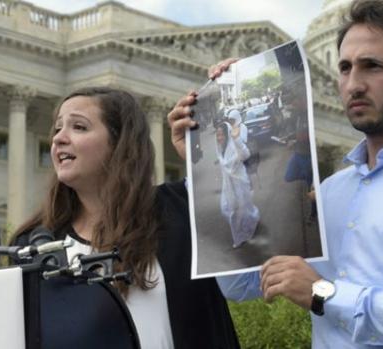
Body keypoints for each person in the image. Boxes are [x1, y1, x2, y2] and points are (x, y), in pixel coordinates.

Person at [168, 0, 383, 347]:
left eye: (372, 67)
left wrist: (323, 294)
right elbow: (243, 285)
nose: (353, 84)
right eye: (345, 68)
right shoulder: (332, 191)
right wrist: (204, 170)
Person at [12, 87, 239, 349]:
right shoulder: (35, 243)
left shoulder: (181, 209)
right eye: (57, 128)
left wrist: (231, 79)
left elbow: (255, 225)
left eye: (78, 127)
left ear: (119, 143)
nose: (58, 139)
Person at [215, 116, 259, 248]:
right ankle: (239, 236)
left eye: (222, 135)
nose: (219, 138)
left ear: (227, 135)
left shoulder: (235, 144)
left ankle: (247, 229)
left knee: (246, 210)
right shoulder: (220, 148)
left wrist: (236, 138)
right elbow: (224, 164)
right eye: (217, 135)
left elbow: (245, 154)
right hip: (227, 184)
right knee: (226, 208)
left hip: (240, 182)